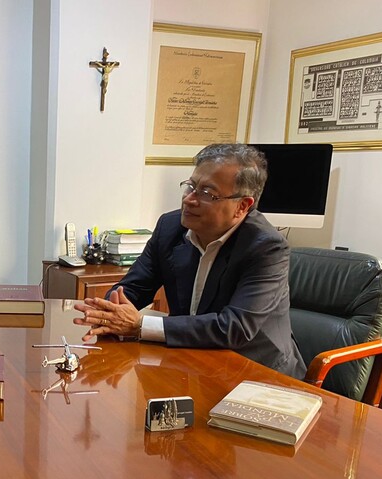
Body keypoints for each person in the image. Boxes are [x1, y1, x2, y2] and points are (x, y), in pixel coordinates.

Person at [73, 143, 305, 379]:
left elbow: (235, 327)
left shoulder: (266, 247)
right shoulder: (170, 227)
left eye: (207, 193)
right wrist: (109, 312)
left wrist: (139, 325)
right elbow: (134, 287)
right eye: (191, 186)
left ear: (242, 206)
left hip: (255, 373)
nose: (189, 200)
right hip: (191, 360)